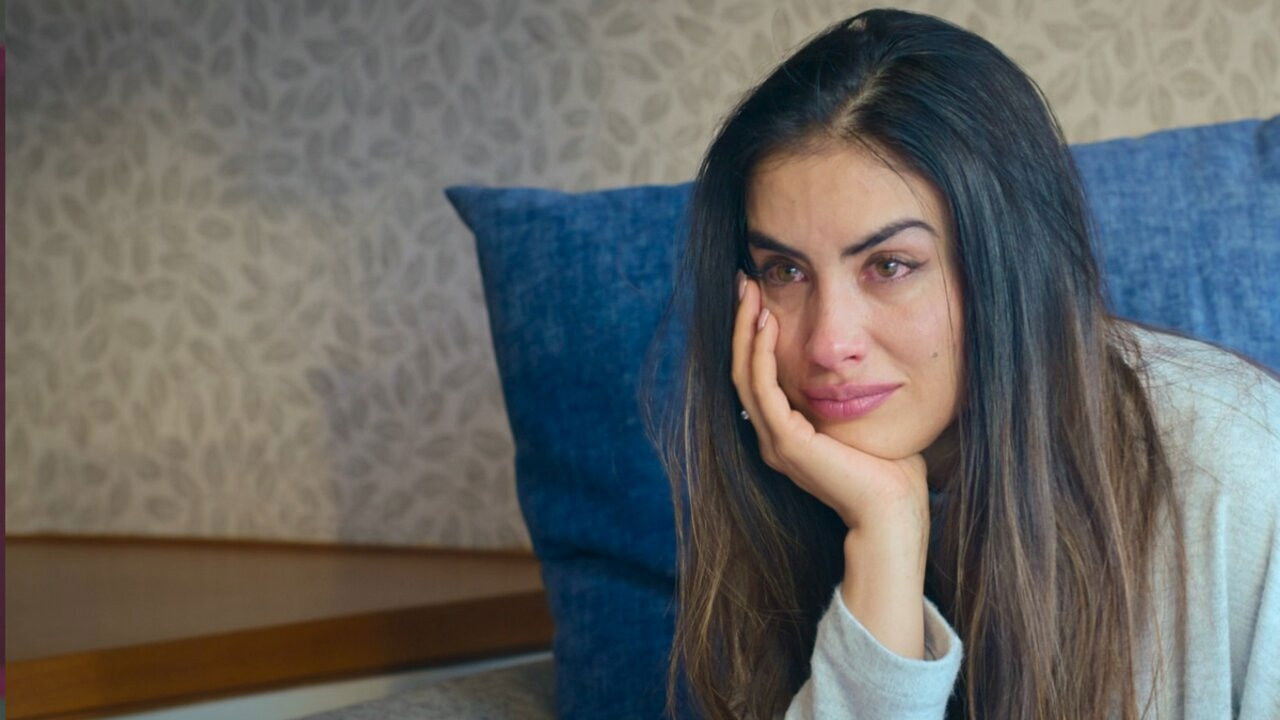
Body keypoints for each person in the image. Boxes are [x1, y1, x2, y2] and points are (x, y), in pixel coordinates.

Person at [646, 8, 1280, 719]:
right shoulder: (775, 483)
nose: (827, 344)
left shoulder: (1241, 475)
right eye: (785, 271)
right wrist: (885, 531)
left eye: (890, 265)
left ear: (1009, 267)